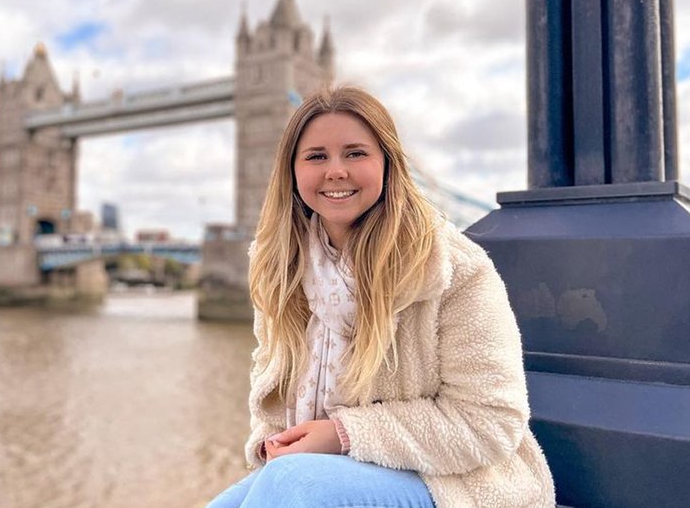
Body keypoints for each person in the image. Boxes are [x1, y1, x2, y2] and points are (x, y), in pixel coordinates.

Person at [208, 86, 555, 507]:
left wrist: (343, 433)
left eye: (355, 153)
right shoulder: (280, 267)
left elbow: (491, 422)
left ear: (388, 164)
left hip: (456, 484)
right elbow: (269, 379)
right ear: (292, 171)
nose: (335, 170)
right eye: (316, 156)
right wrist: (272, 441)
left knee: (296, 487)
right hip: (315, 473)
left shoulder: (454, 269)